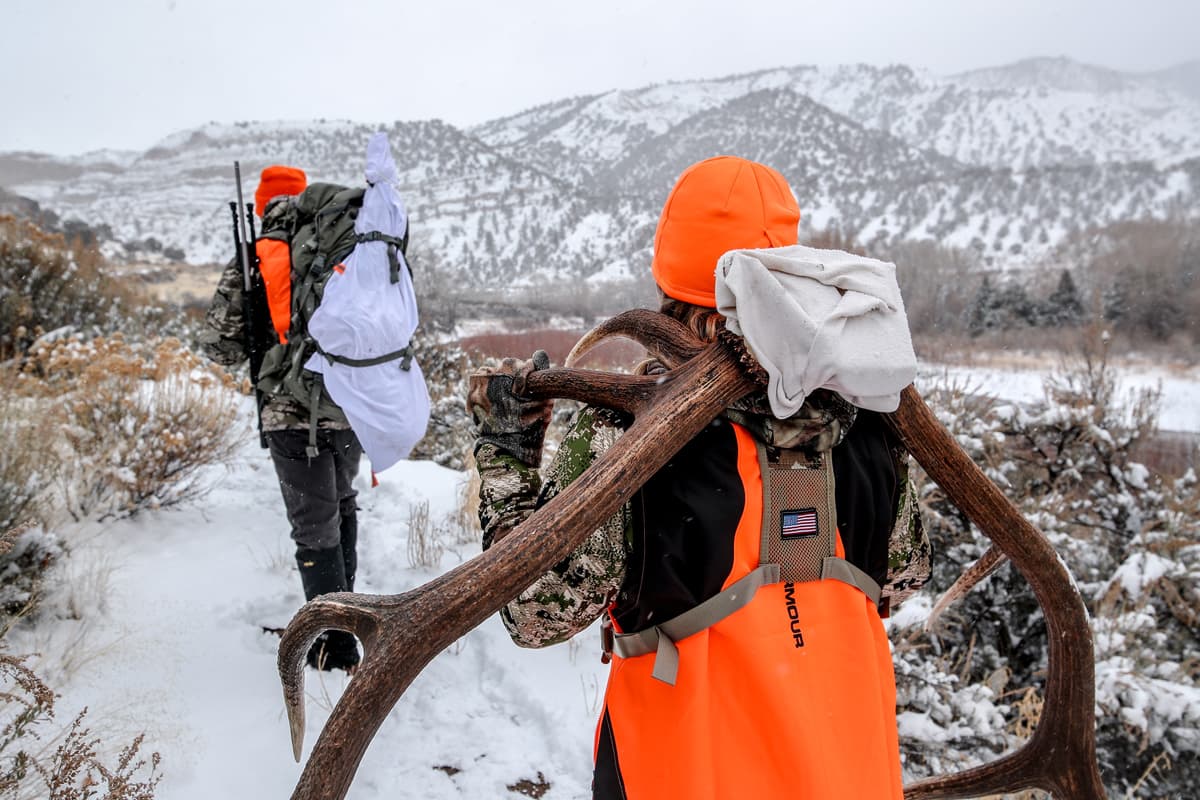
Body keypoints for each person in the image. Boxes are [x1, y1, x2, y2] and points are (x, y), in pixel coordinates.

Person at [469, 156, 928, 798]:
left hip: (681, 774)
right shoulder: (871, 419)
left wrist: (505, 451)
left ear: (668, 275)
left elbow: (534, 612)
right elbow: (905, 574)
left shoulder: (626, 432)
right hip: (845, 772)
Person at [201, 165, 362, 673]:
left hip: (290, 417)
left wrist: (262, 331)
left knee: (314, 528)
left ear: (261, 206)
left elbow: (219, 346)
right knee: (342, 506)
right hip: (350, 405)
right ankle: (349, 623)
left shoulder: (258, 254)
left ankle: (334, 648)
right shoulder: (344, 247)